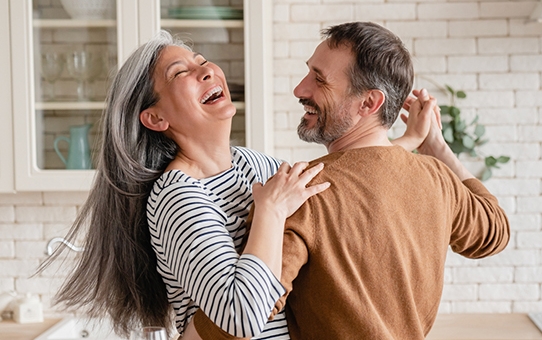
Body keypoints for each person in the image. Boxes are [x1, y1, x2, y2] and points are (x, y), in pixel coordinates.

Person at [39, 30, 435, 340]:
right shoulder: (178, 197)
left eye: (201, 61)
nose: (207, 70)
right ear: (156, 118)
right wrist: (270, 212)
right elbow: (240, 317)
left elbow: (330, 189)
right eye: (181, 74)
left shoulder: (251, 164)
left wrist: (406, 142)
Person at [195, 21, 511, 340]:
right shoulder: (438, 178)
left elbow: (239, 320)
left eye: (319, 80)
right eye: (309, 72)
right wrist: (437, 147)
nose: (300, 90)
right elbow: (495, 232)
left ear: (369, 103)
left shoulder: (302, 193)